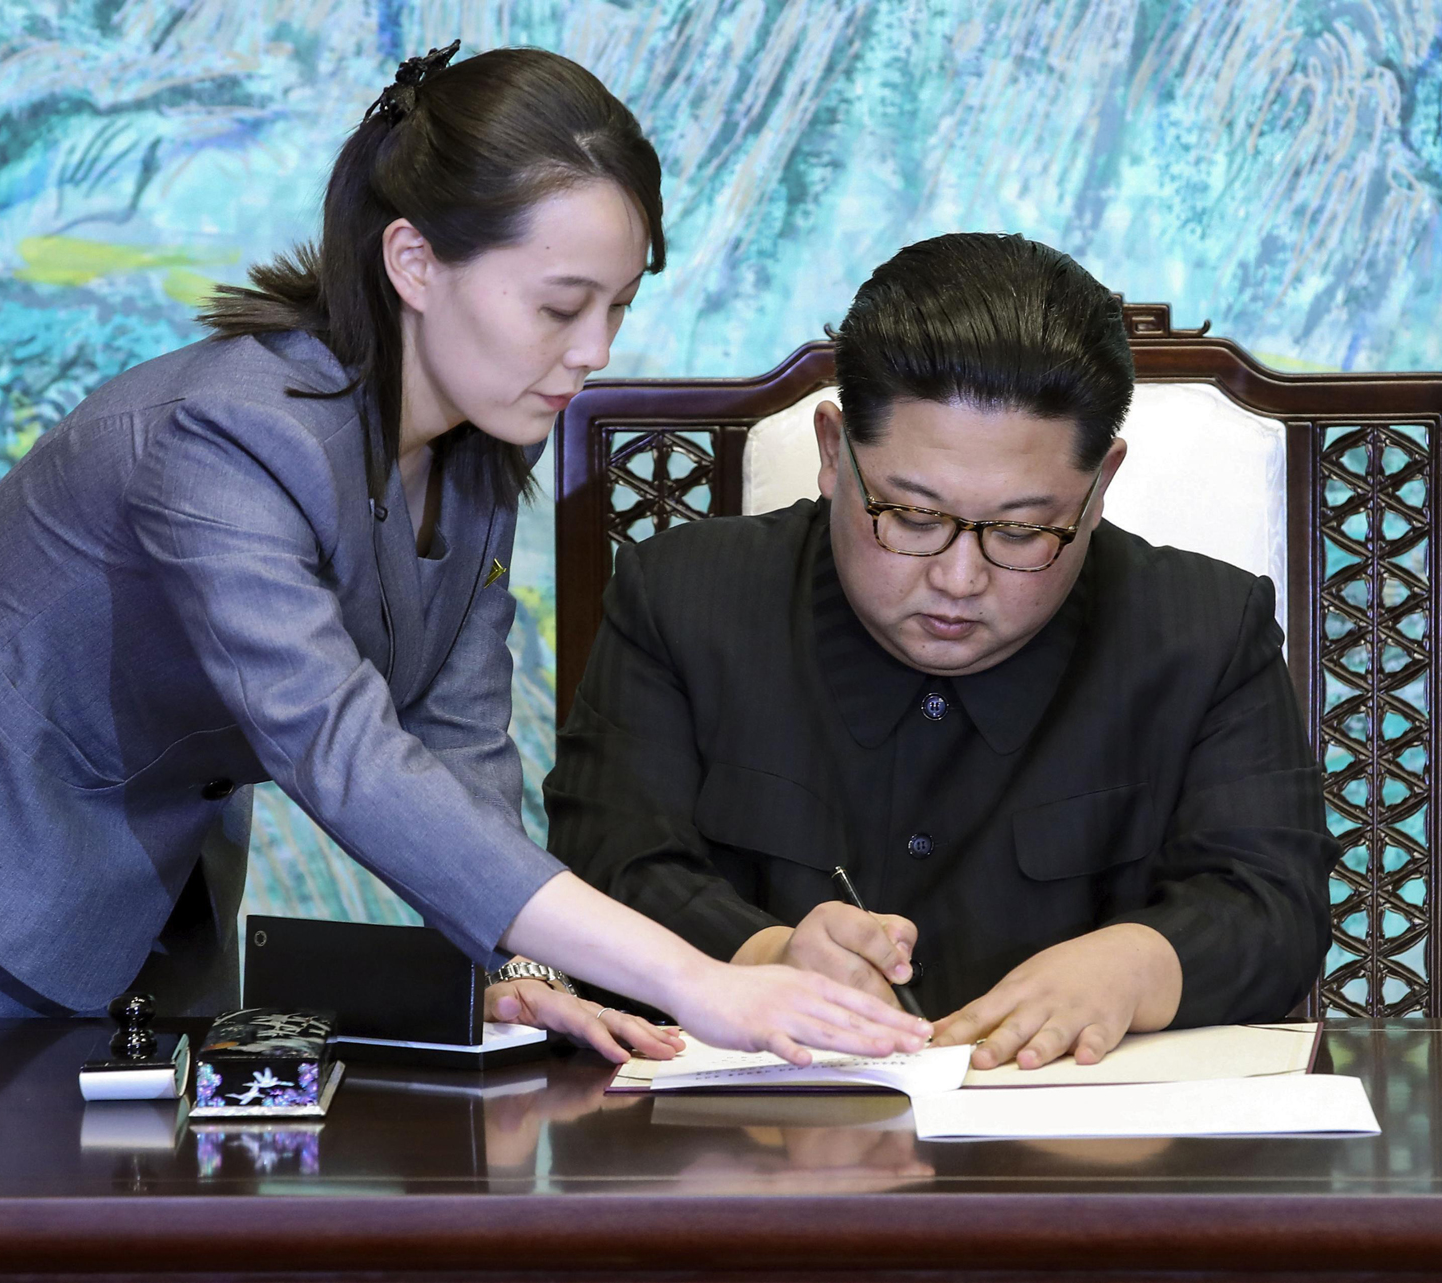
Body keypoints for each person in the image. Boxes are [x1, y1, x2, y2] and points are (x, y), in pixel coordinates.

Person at [0, 44, 927, 1068]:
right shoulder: (230, 436)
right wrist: (696, 979)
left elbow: (458, 739)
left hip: (134, 862)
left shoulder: (480, 446)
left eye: (616, 307)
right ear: (412, 262)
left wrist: (516, 966)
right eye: (559, 306)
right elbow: (340, 750)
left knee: (138, 1219)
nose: (593, 351)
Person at [543, 233, 1338, 1071]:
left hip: (1085, 1135)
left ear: (1100, 485)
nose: (959, 579)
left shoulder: (1205, 631)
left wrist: (1138, 965)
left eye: (1022, 529)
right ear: (832, 452)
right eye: (913, 517)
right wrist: (764, 958)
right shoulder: (682, 599)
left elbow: (1276, 904)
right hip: (763, 1131)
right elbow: (605, 864)